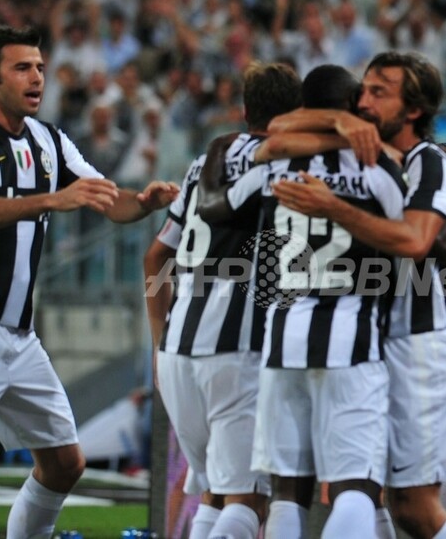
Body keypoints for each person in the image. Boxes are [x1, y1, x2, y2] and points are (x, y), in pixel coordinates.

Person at [0, 26, 178, 538]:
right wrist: (50, 200)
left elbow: (107, 199)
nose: (37, 78)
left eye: (41, 68)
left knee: (65, 463)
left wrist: (144, 202)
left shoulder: (49, 141)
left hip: (18, 337)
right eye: (22, 68)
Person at [271, 51, 446, 539]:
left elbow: (416, 240)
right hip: (377, 342)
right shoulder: (365, 147)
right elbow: (275, 134)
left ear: (414, 109)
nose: (363, 101)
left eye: (379, 92)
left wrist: (333, 206)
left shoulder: (428, 161)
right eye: (362, 89)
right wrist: (337, 120)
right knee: (368, 489)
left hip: (423, 349)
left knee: (414, 509)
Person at [199, 63, 406, 539]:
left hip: (281, 338)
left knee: (288, 492)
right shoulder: (376, 168)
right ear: (352, 105)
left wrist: (218, 156)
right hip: (351, 338)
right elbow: (412, 240)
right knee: (356, 486)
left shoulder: (273, 167)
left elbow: (216, 210)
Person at [143, 61, 302, 539]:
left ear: (245, 109)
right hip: (236, 350)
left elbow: (155, 256)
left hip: (177, 348)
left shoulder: (203, 163)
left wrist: (158, 344)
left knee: (215, 491)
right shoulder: (284, 165)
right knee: (249, 499)